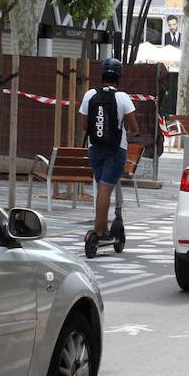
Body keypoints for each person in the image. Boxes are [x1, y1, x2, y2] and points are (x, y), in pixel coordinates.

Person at [79, 58, 139, 240]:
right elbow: (134, 128)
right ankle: (97, 231)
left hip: (95, 148)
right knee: (106, 190)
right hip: (116, 150)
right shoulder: (122, 98)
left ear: (102, 75)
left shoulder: (89, 95)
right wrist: (132, 133)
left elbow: (84, 125)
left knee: (101, 188)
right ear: (119, 77)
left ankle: (104, 230)